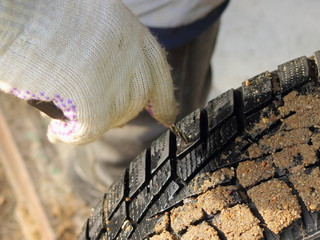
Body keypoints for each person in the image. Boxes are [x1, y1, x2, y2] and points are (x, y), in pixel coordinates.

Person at [0, 0, 229, 204]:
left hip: (165, 18)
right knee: (132, 170)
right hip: (136, 21)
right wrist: (20, 27)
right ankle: (108, 209)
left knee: (158, 136)